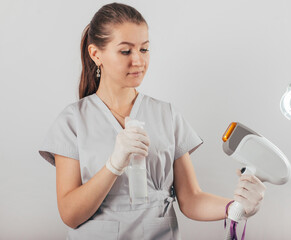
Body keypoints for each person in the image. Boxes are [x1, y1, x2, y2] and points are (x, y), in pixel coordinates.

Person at [38, 3, 266, 239]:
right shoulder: (73, 120)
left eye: (144, 49)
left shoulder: (167, 115)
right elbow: (70, 214)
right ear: (96, 54)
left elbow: (191, 199)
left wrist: (235, 207)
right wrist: (113, 166)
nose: (138, 60)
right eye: (126, 51)